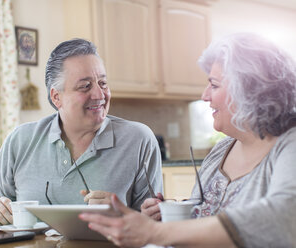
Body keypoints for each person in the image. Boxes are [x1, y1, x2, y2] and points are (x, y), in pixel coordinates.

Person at [79, 33, 296, 247]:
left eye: (214, 84)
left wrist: (157, 232)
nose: (204, 95)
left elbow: (283, 218)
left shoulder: (290, 144)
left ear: (250, 91)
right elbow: (204, 221)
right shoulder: (222, 149)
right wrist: (163, 217)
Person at [0, 38, 163, 230]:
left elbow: (152, 225)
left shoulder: (139, 139)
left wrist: (125, 215)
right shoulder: (20, 139)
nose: (100, 95)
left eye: (102, 83)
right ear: (56, 97)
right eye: (85, 86)